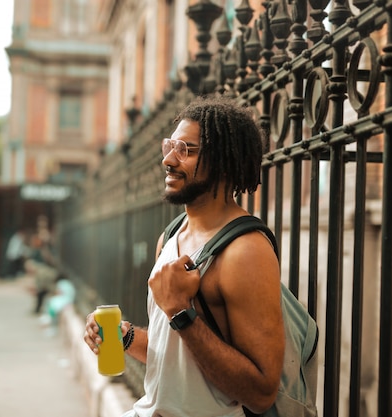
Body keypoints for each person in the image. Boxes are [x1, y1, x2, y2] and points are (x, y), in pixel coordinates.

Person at [83, 96, 285, 417]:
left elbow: (261, 393)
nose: (169, 160)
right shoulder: (171, 236)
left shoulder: (246, 250)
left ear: (222, 162)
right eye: (169, 146)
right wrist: (126, 337)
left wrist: (179, 311)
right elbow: (179, 360)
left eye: (186, 150)